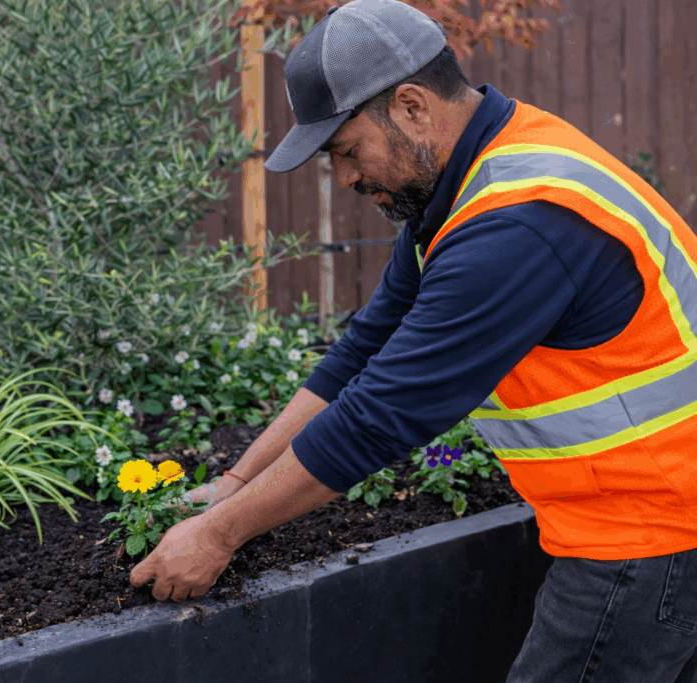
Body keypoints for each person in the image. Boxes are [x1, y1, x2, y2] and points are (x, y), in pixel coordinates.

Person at [129, 1, 697, 681]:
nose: (344, 179)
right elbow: (361, 352)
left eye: (346, 151)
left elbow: (379, 416)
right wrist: (237, 481)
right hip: (638, 512)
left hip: (655, 528)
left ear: (412, 108)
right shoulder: (464, 195)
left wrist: (218, 536)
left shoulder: (518, 224)